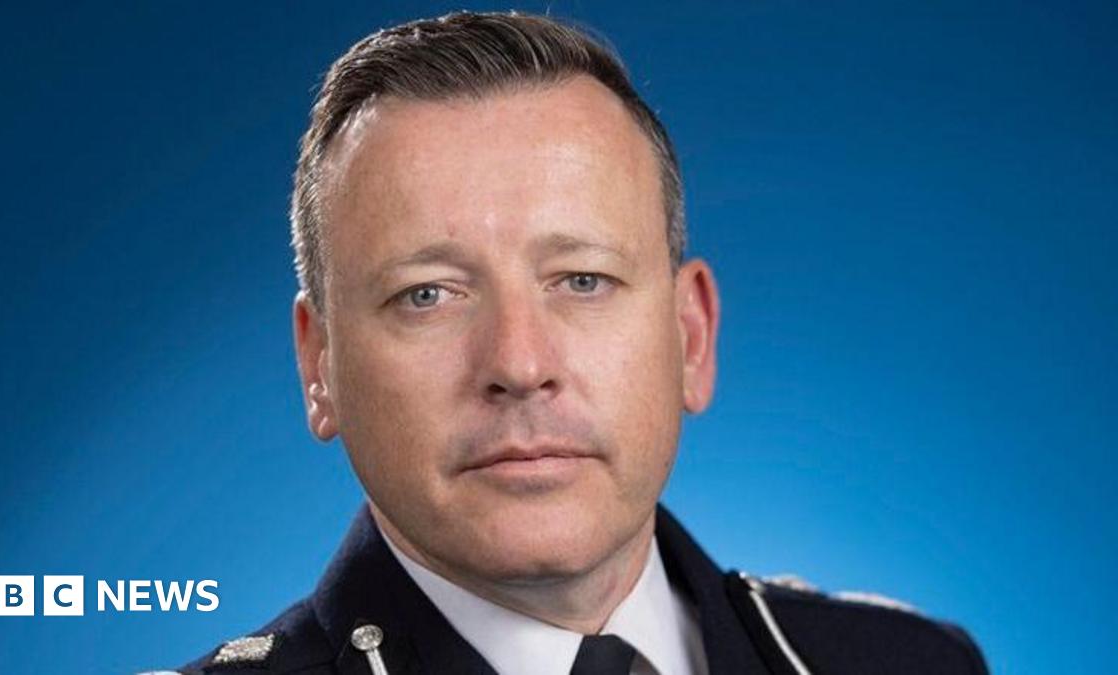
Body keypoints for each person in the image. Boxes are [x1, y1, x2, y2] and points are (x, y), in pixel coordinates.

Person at [159, 11, 988, 675]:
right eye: (427, 294)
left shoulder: (911, 663)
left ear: (690, 335)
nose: (520, 365)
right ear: (320, 367)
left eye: (582, 279)